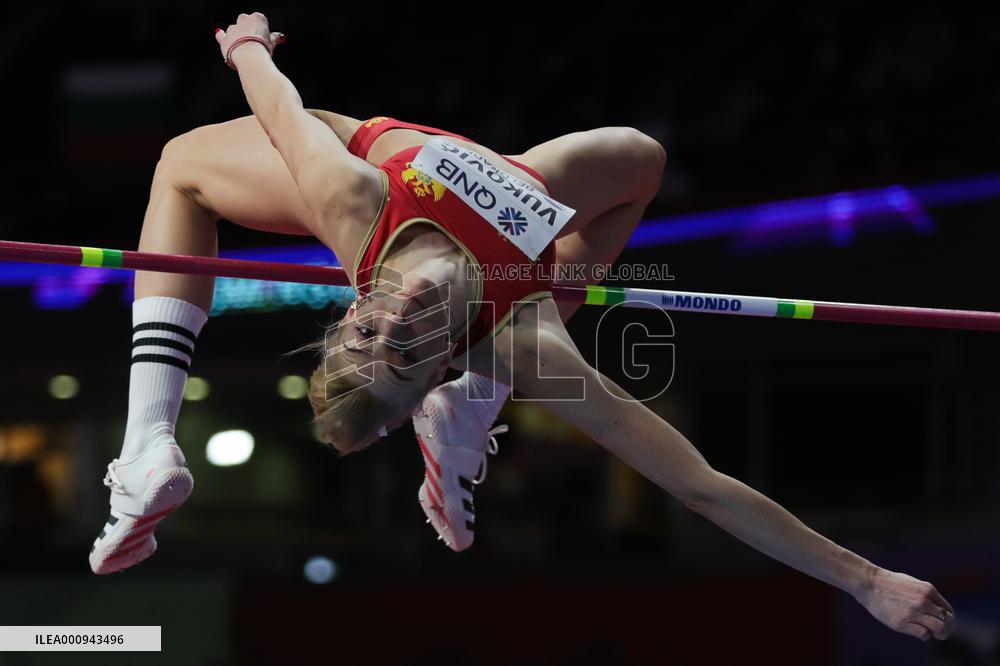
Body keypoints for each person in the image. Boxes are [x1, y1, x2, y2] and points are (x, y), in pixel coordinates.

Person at [89, 12, 955, 642]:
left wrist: (245, 47)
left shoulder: (350, 200)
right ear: (434, 367)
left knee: (181, 165)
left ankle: (168, 441)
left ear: (346, 315)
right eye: (407, 355)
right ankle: (174, 440)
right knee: (631, 168)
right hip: (522, 229)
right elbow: (699, 484)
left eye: (365, 335)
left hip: (385, 153)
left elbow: (280, 109)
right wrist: (867, 580)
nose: (394, 324)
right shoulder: (525, 340)